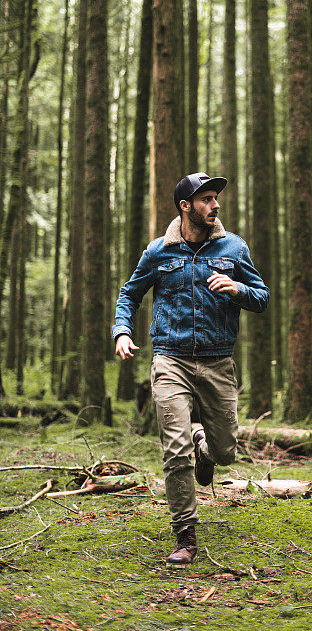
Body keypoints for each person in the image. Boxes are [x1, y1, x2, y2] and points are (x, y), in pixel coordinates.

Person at [112, 172, 270, 567]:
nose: (215, 206)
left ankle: (205, 445)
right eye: (207, 199)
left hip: (218, 361)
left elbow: (262, 297)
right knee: (174, 450)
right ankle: (186, 535)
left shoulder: (234, 247)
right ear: (186, 206)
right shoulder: (158, 251)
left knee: (225, 452)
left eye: (216, 199)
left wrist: (238, 290)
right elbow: (130, 293)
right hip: (170, 359)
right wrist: (122, 331)